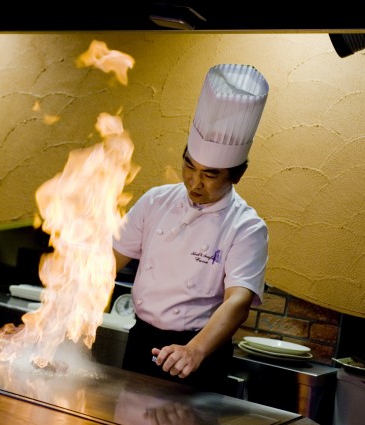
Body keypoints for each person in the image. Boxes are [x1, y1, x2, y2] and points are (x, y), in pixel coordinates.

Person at [113, 63, 270, 394]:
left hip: (197, 353)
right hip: (140, 339)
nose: (194, 183)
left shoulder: (246, 227)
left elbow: (238, 301)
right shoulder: (156, 201)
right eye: (189, 166)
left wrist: (195, 349)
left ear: (237, 174)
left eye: (210, 174)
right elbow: (109, 259)